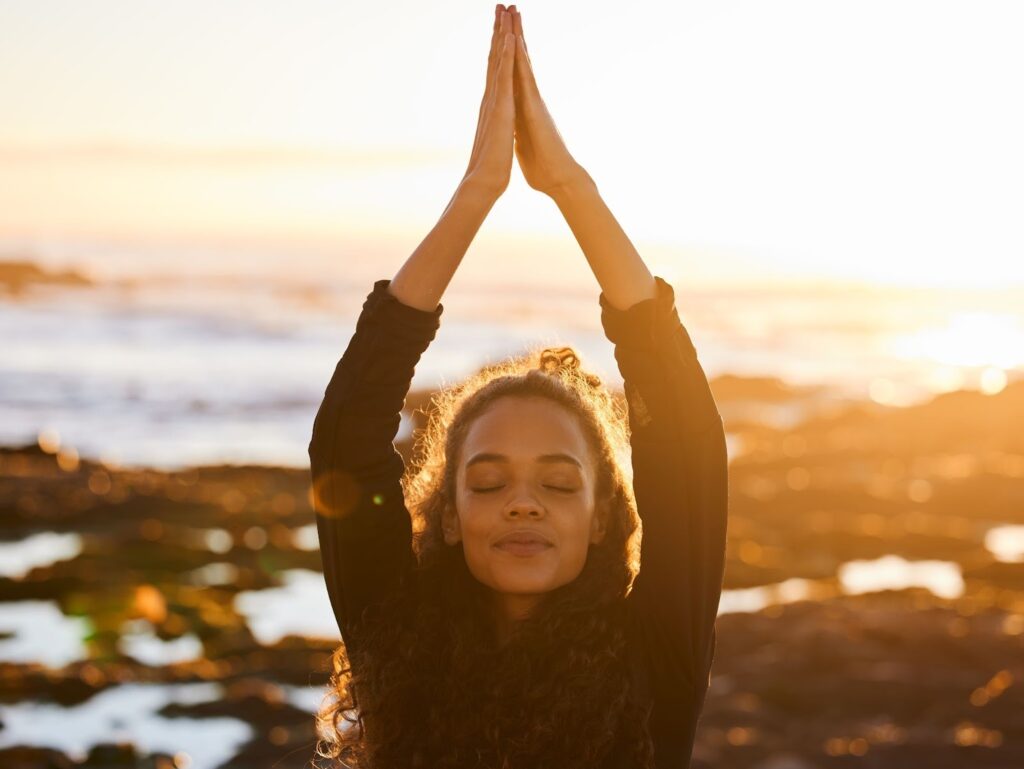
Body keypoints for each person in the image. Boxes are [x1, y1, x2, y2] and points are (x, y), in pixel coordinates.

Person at [307, 5, 728, 767]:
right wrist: (476, 191)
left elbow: (690, 445)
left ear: (603, 518)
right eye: (489, 479)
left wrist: (569, 184)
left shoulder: (653, 658)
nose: (522, 501)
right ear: (449, 517)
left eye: (561, 484)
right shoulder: (397, 639)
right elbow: (348, 438)